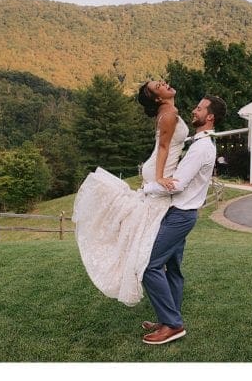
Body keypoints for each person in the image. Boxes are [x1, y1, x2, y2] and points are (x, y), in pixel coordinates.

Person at [72, 80, 188, 306]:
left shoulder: (169, 111)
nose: (164, 83)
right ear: (157, 98)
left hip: (156, 166)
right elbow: (164, 147)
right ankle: (147, 270)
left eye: (161, 81)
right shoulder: (169, 114)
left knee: (145, 234)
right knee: (143, 238)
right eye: (158, 86)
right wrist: (160, 177)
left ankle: (170, 305)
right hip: (157, 170)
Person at [139, 95, 226, 345]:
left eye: (199, 108)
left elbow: (176, 185)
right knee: (173, 270)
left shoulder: (202, 148)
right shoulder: (200, 143)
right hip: (180, 213)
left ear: (209, 116)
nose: (194, 110)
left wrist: (147, 189)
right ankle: (169, 318)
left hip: (180, 215)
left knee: (150, 265)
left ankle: (174, 325)